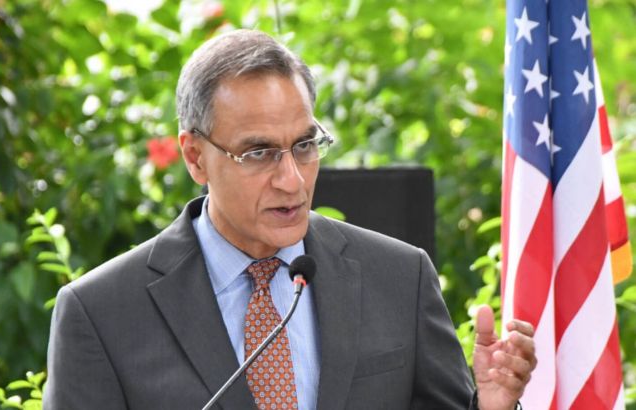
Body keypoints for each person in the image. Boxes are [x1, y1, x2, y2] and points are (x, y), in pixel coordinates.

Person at [43, 29, 536, 410]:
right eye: (258, 153)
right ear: (194, 157)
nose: (292, 180)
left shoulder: (400, 278)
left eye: (304, 145)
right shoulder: (101, 313)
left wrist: (491, 406)